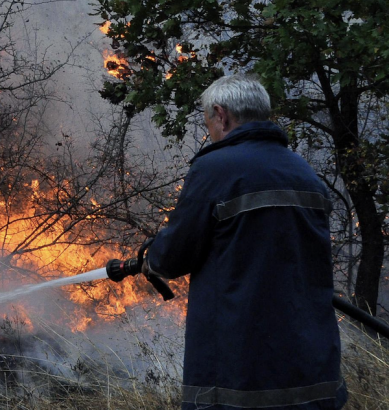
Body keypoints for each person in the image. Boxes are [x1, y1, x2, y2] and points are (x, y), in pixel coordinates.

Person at [145, 74, 346, 410]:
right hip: (312, 373)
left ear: (221, 115)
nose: (209, 129)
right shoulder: (304, 172)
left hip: (237, 374)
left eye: (208, 120)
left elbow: (172, 257)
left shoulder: (215, 168)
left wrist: (151, 254)